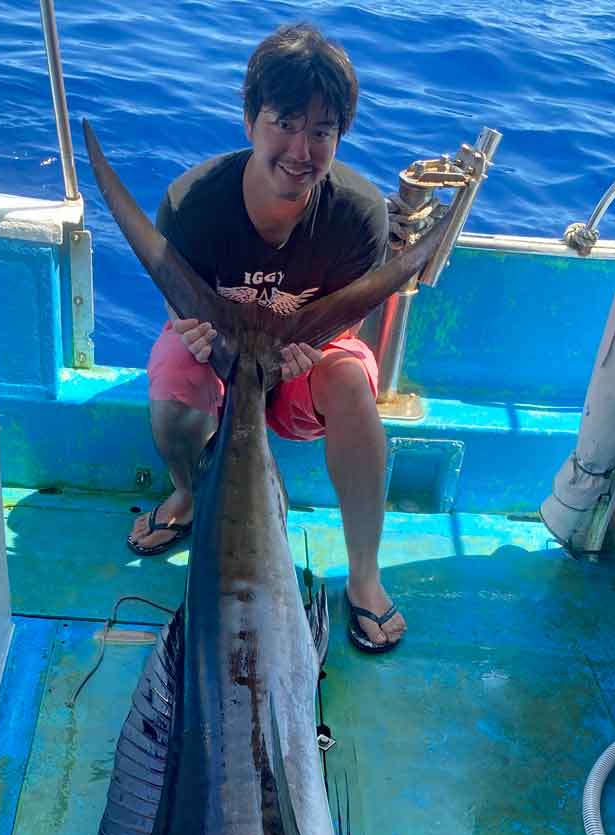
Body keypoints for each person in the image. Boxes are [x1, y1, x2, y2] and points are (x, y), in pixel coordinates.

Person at [128, 22, 406, 653]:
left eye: (322, 132)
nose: (301, 149)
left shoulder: (359, 215)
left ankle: (364, 575)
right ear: (250, 119)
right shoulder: (192, 202)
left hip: (299, 361)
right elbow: (182, 312)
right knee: (174, 382)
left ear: (340, 137)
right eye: (284, 122)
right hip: (220, 354)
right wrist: (203, 341)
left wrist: (298, 357)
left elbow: (344, 328)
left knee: (353, 383)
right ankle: (188, 493)